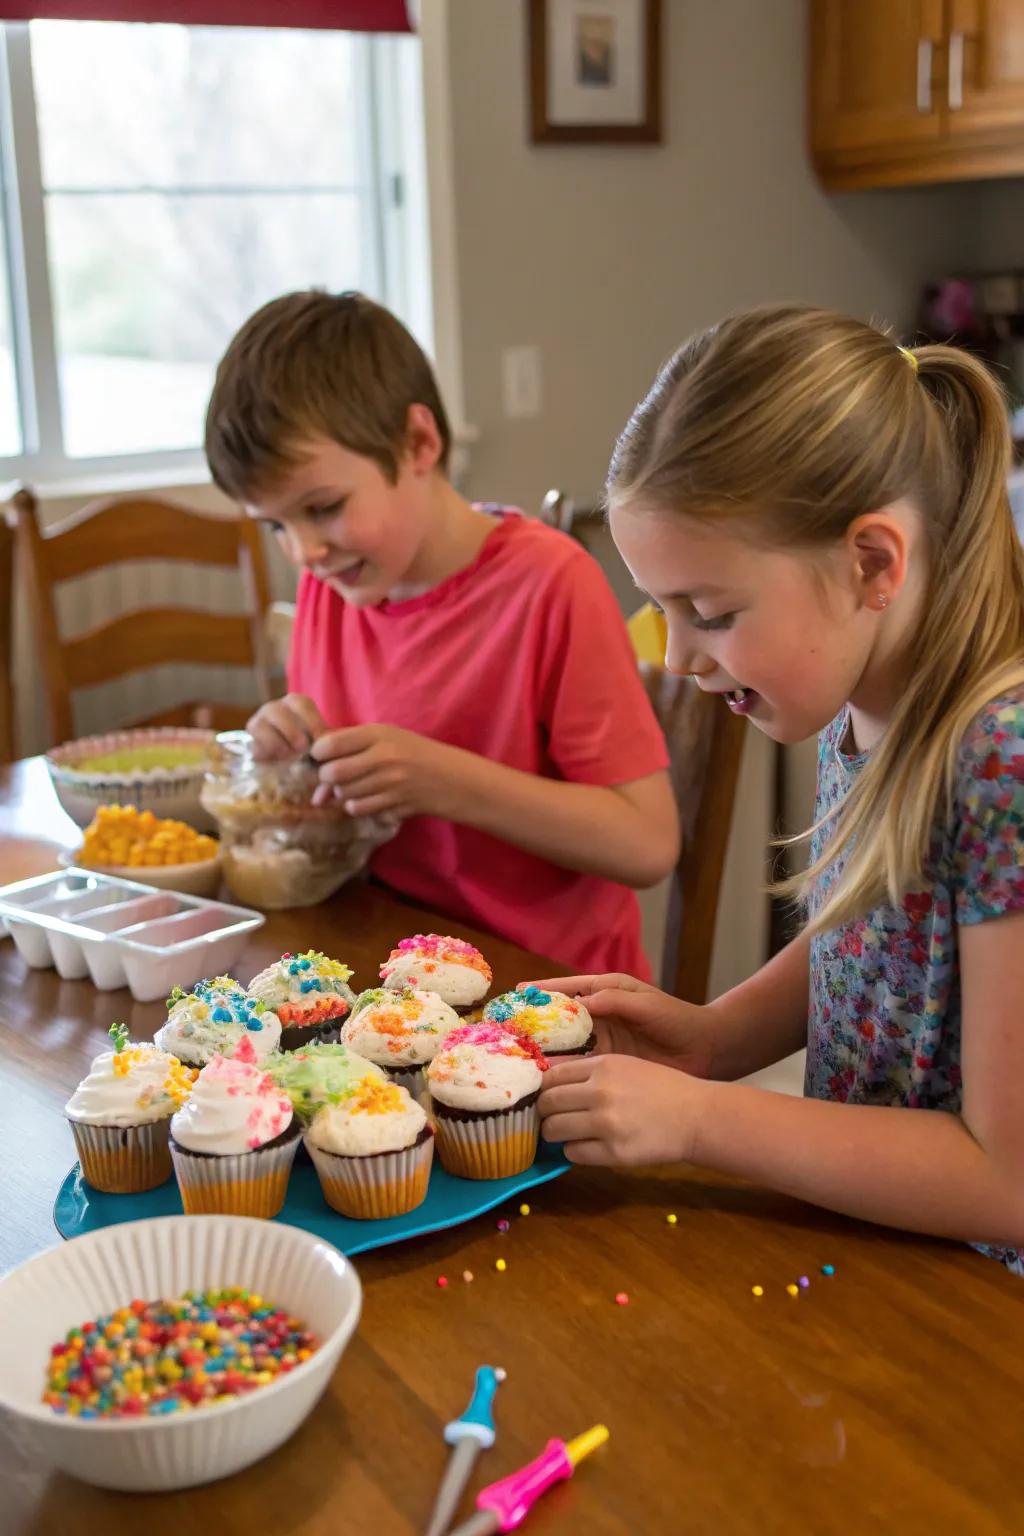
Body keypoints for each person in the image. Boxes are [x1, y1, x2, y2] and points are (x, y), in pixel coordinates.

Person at [535, 304, 1024, 1273]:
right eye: (662, 609)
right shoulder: (864, 694)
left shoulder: (1001, 762)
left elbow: (1006, 1180)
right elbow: (876, 936)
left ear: (871, 562)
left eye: (710, 612)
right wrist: (712, 1040)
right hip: (878, 1252)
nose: (679, 657)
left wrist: (702, 1118)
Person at [204, 290, 678, 976]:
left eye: (324, 507)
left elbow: (647, 844)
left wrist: (444, 782)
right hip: (389, 963)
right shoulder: (331, 584)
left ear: (419, 443)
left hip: (544, 987)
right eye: (276, 524)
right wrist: (292, 763)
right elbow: (351, 824)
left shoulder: (549, 584)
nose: (303, 551)